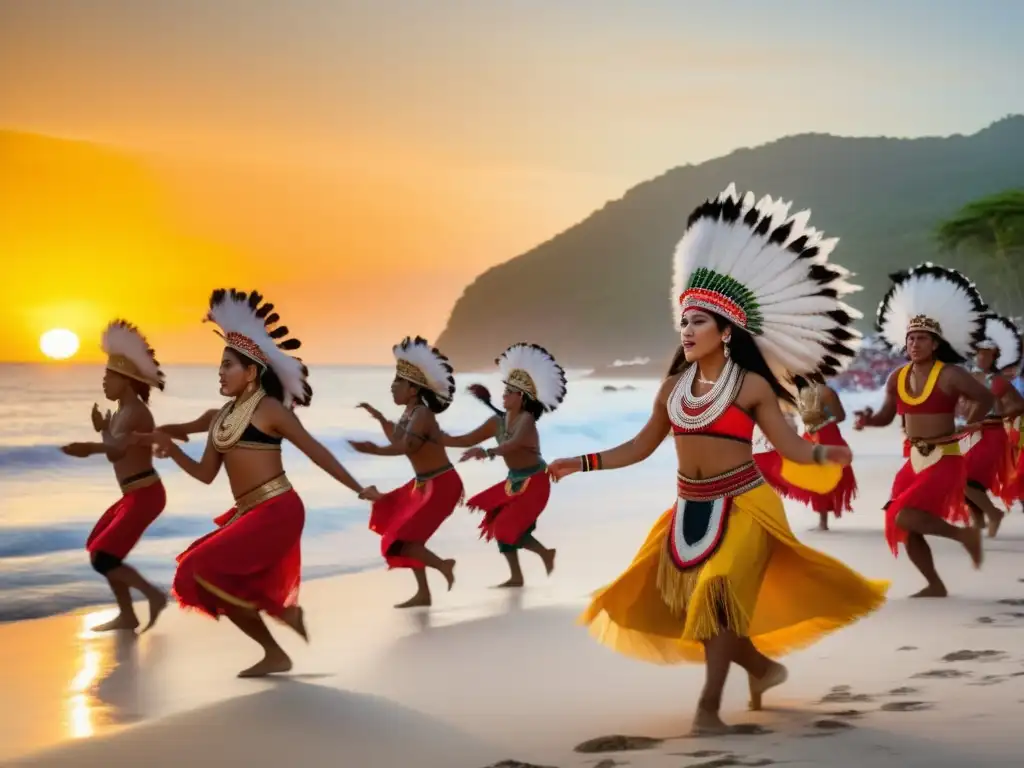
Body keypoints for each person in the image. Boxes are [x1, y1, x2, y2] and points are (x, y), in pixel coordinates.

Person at [548, 184, 889, 735]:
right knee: (697, 611)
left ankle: (707, 709)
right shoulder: (671, 390)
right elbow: (639, 447)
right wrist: (579, 462)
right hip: (689, 509)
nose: (686, 330)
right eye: (683, 322)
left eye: (698, 323)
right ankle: (760, 666)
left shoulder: (752, 386)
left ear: (726, 332)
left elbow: (791, 448)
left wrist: (828, 451)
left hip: (747, 504)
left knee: (718, 593)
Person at [136, 289, 380, 677]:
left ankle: (280, 619)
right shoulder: (218, 417)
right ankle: (276, 644)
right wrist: (165, 442)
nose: (220, 372)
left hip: (278, 509)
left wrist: (358, 487)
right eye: (220, 365)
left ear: (251, 372)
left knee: (201, 568)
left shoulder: (270, 410)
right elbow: (204, 474)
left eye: (228, 365)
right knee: (198, 575)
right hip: (249, 513)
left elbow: (315, 450)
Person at [854, 264, 992, 597]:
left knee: (904, 516)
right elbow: (887, 416)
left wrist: (972, 422)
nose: (915, 343)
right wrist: (868, 420)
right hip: (912, 457)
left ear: (934, 344)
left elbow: (984, 397)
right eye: (911, 338)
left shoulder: (951, 375)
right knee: (901, 523)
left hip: (945, 456)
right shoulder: (896, 378)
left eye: (922, 339)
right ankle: (934, 583)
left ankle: (965, 537)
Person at [60, 320, 169, 633]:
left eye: (109, 377)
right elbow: (115, 451)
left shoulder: (137, 413)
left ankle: (153, 596)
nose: (104, 383)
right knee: (100, 551)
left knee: (104, 557)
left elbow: (117, 451)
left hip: (146, 495)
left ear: (126, 379)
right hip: (132, 495)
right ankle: (128, 615)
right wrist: (104, 429)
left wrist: (90, 445)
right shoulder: (122, 413)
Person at [350, 336, 461, 608]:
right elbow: (397, 439)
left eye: (397, 384)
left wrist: (373, 450)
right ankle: (424, 593)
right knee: (407, 536)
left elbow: (406, 446)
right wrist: (379, 418)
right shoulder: (409, 413)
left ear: (413, 389)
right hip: (423, 484)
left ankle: (444, 566)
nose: (392, 388)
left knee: (402, 540)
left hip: (441, 484)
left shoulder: (422, 414)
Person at [442, 342, 565, 586]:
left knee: (508, 527)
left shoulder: (526, 420)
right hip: (514, 480)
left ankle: (543, 554)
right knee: (498, 521)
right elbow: (466, 439)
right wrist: (435, 438)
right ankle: (518, 575)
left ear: (521, 397)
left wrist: (487, 451)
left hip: (535, 481)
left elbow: (514, 444)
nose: (504, 395)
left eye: (509, 392)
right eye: (505, 391)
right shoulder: (497, 422)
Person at [960, 313, 1024, 536]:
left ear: (995, 357)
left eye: (987, 354)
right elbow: (960, 407)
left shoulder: (998, 381)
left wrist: (1002, 413)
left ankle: (993, 513)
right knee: (961, 481)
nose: (981, 357)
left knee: (965, 479)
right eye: (979, 353)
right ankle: (979, 523)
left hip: (992, 434)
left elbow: (1018, 405)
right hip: (968, 433)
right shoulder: (968, 377)